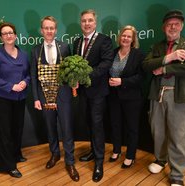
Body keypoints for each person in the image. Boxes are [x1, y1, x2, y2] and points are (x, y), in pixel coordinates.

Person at [142, 9, 185, 186]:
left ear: (181, 26)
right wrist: (170, 57)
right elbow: (146, 65)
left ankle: (177, 174)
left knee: (179, 134)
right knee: (157, 131)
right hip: (157, 94)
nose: (172, 27)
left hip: (178, 95)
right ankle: (160, 160)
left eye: (176, 24)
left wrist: (165, 69)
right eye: (169, 24)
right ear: (164, 27)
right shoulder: (157, 47)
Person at [30, 16, 79, 182]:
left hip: (63, 95)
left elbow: (71, 70)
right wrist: (36, 98)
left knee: (67, 128)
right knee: (50, 127)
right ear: (41, 30)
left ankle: (70, 161)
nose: (49, 31)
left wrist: (74, 84)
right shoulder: (35, 50)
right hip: (44, 95)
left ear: (56, 30)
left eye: (52, 28)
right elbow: (33, 75)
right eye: (46, 28)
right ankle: (55, 154)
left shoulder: (65, 46)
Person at [73, 9, 113, 182]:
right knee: (89, 122)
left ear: (95, 23)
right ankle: (92, 151)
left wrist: (86, 77)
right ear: (80, 23)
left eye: (90, 20)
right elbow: (75, 64)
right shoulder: (77, 41)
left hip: (97, 91)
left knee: (97, 124)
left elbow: (106, 64)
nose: (87, 23)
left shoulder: (104, 40)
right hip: (83, 92)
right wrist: (75, 79)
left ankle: (99, 162)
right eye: (83, 21)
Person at [0, 22, 30, 178]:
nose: (8, 35)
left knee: (17, 129)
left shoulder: (24, 54)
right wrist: (10, 86)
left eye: (11, 32)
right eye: (5, 33)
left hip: (20, 98)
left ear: (16, 35)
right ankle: (8, 165)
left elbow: (28, 74)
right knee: (4, 132)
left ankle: (16, 154)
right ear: (1, 37)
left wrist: (25, 82)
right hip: (3, 98)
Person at [108, 25, 145, 168]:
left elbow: (141, 77)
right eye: (124, 35)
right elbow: (107, 70)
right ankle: (116, 150)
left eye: (129, 36)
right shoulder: (113, 52)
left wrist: (122, 81)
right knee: (115, 124)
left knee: (132, 127)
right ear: (120, 37)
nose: (125, 38)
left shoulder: (138, 55)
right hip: (113, 96)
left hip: (132, 97)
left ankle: (130, 155)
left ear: (133, 39)